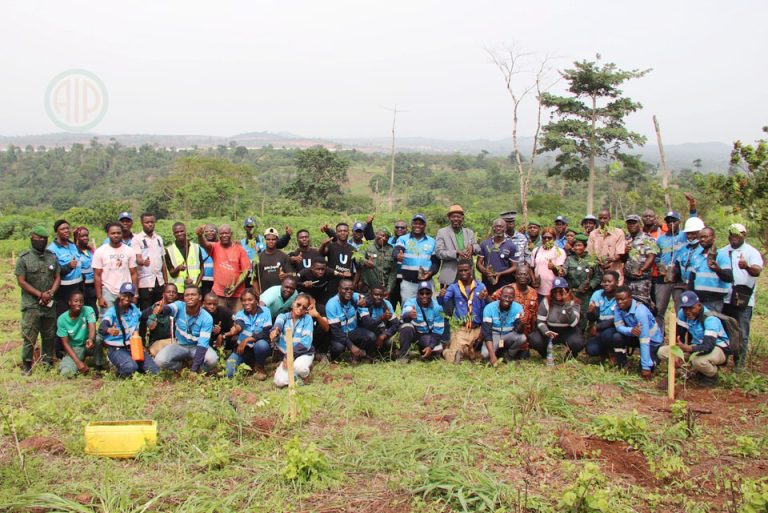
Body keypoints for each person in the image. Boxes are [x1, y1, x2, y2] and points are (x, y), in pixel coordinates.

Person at [658, 291, 730, 386]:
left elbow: (708, 346)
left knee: (699, 361)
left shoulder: (710, 319)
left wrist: (688, 349)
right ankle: (686, 371)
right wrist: (677, 354)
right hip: (696, 346)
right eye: (685, 309)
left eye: (691, 308)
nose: (688, 312)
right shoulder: (682, 314)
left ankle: (712, 375)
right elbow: (679, 335)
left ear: (699, 306)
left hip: (717, 348)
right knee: (662, 352)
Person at [16, 226, 60, 373]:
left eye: (44, 239)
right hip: (31, 304)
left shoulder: (52, 256)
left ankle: (47, 362)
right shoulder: (24, 258)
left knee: (49, 334)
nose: (41, 241)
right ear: (32, 239)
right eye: (38, 239)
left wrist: (51, 293)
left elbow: (57, 277)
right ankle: (27, 364)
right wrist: (40, 295)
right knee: (30, 335)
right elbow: (21, 281)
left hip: (49, 303)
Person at [721, 223, 763, 367]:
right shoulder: (722, 251)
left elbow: (757, 271)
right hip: (725, 298)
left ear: (744, 235)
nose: (734, 238)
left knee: (742, 333)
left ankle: (740, 364)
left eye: (738, 235)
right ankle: (723, 361)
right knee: (725, 330)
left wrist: (746, 267)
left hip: (743, 300)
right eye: (732, 235)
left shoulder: (752, 252)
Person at [153, 285, 218, 374]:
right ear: (183, 298)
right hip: (180, 345)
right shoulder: (179, 306)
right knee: (159, 360)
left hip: (197, 347)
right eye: (187, 295)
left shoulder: (207, 318)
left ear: (200, 297)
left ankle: (199, 371)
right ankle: (181, 368)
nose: (190, 297)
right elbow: (169, 308)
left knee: (212, 359)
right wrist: (162, 309)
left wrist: (194, 370)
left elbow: (202, 345)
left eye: (193, 295)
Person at [98, 282, 158, 377]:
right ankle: (116, 365)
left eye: (130, 296)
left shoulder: (133, 308)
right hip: (116, 348)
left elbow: (142, 315)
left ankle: (130, 362)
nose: (127, 298)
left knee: (154, 371)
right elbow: (101, 328)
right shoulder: (112, 312)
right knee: (130, 368)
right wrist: (109, 330)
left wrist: (153, 307)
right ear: (119, 295)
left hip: (132, 347)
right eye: (124, 295)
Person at [270, 293, 328, 387]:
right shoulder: (283, 316)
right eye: (298, 304)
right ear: (293, 303)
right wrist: (275, 331)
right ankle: (297, 377)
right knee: (279, 382)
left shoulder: (308, 319)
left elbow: (305, 343)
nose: (301, 308)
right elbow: (278, 325)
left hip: (303, 353)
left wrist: (288, 356)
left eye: (304, 307)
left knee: (300, 368)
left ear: (306, 310)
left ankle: (305, 375)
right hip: (287, 355)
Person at [439, 260, 488, 363]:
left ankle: (465, 350)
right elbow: (443, 302)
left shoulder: (480, 286)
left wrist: (486, 298)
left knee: (480, 358)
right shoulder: (453, 287)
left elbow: (485, 308)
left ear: (471, 269)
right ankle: (445, 351)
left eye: (466, 270)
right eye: (460, 271)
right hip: (462, 328)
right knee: (452, 360)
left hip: (476, 329)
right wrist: (441, 296)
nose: (463, 273)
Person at [196, 224, 251, 311]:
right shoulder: (214, 247)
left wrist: (235, 288)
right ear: (218, 235)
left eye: (226, 233)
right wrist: (200, 235)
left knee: (237, 320)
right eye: (221, 234)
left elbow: (246, 271)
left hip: (237, 295)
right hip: (219, 294)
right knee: (220, 320)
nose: (224, 235)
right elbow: (204, 245)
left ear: (231, 234)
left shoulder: (240, 249)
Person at [528, 277, 585, 361]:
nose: (557, 293)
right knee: (534, 340)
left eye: (561, 291)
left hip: (568, 330)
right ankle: (545, 354)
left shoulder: (574, 302)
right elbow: (540, 322)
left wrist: (567, 304)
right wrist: (546, 331)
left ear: (567, 290)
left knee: (578, 343)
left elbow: (573, 323)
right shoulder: (546, 301)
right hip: (550, 330)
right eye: (555, 291)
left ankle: (570, 356)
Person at [613, 286, 663, 378]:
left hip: (651, 340)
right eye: (617, 299)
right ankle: (622, 364)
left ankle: (654, 360)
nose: (620, 302)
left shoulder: (640, 312)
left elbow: (645, 340)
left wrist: (646, 367)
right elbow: (619, 326)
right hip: (635, 335)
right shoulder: (617, 307)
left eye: (623, 299)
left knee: (646, 368)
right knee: (617, 337)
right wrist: (630, 330)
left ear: (630, 298)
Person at [225, 288, 273, 379]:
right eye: (244, 300)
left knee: (261, 345)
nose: (247, 303)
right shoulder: (240, 314)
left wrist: (247, 339)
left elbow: (266, 333)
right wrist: (235, 329)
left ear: (256, 300)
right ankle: (249, 363)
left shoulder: (265, 311)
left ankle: (259, 366)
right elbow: (239, 324)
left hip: (259, 347)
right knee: (229, 373)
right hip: (244, 349)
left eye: (250, 300)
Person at [392, 214, 439, 303]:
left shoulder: (432, 241)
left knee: (430, 308)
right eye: (415, 223)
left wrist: (431, 272)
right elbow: (397, 250)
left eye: (420, 224)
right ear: (411, 225)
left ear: (425, 225)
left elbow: (436, 262)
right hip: (408, 284)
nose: (417, 226)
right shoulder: (403, 239)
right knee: (408, 310)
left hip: (427, 283)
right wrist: (398, 255)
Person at [325, 279, 375, 361]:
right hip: (339, 334)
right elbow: (335, 331)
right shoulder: (331, 304)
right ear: (339, 289)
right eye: (345, 289)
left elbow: (370, 299)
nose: (349, 291)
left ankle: (358, 356)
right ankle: (332, 356)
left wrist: (365, 301)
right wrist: (351, 346)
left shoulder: (355, 296)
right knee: (338, 347)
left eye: (351, 289)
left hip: (352, 331)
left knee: (371, 336)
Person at [93, 222, 138, 311]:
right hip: (108, 291)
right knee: (108, 319)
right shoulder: (100, 251)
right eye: (113, 233)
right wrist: (100, 297)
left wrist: (135, 294)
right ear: (108, 234)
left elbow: (134, 273)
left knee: (125, 319)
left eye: (118, 233)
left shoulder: (129, 251)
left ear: (122, 234)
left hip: (126, 291)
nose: (116, 235)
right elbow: (97, 276)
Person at [560, 233, 602, 329]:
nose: (577, 248)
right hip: (572, 293)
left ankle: (583, 337)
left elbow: (598, 276)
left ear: (585, 246)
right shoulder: (569, 259)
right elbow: (564, 271)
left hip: (586, 294)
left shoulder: (592, 260)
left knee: (584, 316)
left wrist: (590, 285)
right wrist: (560, 271)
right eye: (575, 245)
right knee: (570, 314)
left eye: (580, 245)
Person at [57, 291, 103, 376]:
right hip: (76, 347)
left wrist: (90, 339)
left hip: (89, 344)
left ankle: (99, 367)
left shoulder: (88, 310)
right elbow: (65, 343)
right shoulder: (62, 319)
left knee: (98, 339)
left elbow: (92, 327)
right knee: (66, 373)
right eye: (76, 301)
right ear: (70, 302)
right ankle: (78, 364)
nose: (79, 303)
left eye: (81, 301)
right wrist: (78, 363)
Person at [48, 220, 83, 330]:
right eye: (62, 229)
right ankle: (60, 345)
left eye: (67, 228)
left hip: (77, 287)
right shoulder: (52, 249)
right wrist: (69, 266)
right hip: (63, 289)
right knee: (63, 317)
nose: (66, 231)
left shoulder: (72, 245)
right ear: (56, 232)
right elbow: (53, 272)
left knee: (77, 315)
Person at [688, 227, 732, 312]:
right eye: (700, 237)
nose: (703, 239)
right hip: (698, 301)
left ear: (714, 237)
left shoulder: (721, 255)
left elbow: (729, 277)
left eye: (706, 237)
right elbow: (692, 280)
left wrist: (718, 270)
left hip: (714, 301)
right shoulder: (696, 256)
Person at [398, 282, 445, 361]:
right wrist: (409, 315)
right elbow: (404, 318)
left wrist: (430, 346)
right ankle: (403, 356)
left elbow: (437, 331)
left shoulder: (438, 307)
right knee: (406, 327)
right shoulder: (410, 303)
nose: (424, 296)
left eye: (427, 293)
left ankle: (423, 352)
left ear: (431, 294)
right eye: (421, 293)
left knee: (437, 349)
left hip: (426, 335)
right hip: (413, 333)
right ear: (417, 294)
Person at [481, 285, 527, 365]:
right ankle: (495, 354)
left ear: (514, 298)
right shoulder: (489, 308)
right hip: (494, 334)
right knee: (485, 355)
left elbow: (519, 331)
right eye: (505, 296)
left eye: (510, 297)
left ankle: (508, 355)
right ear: (500, 296)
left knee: (522, 338)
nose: (507, 299)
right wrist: (492, 356)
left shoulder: (518, 308)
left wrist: (522, 323)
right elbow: (487, 333)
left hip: (509, 334)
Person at [435, 204, 478, 287]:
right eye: (453, 217)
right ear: (449, 218)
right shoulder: (442, 232)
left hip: (468, 274)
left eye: (458, 217)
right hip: (450, 275)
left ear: (462, 218)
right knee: (448, 299)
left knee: (468, 298)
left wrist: (472, 248)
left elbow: (477, 248)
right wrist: (456, 253)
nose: (456, 219)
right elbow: (439, 252)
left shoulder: (469, 232)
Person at [623, 214, 659, 311]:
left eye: (634, 223)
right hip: (627, 279)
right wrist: (625, 252)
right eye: (629, 223)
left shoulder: (648, 238)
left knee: (642, 305)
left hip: (642, 279)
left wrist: (643, 269)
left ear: (639, 224)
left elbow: (652, 256)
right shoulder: (626, 239)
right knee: (627, 305)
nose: (631, 225)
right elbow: (623, 259)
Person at [133, 213, 168, 311]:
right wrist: (142, 262)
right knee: (146, 311)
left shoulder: (158, 239)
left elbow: (162, 261)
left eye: (152, 222)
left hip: (159, 281)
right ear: (142, 223)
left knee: (159, 310)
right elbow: (137, 258)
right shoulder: (137, 239)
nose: (150, 224)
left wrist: (166, 282)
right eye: (147, 222)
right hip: (145, 282)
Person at [477, 218, 519, 295]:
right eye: (496, 226)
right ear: (493, 228)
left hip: (504, 281)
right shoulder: (485, 243)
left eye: (501, 226)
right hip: (487, 280)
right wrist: (484, 271)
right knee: (487, 301)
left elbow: (515, 267)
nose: (498, 228)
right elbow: (479, 263)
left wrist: (500, 273)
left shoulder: (511, 246)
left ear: (505, 228)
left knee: (502, 302)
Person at [585, 271, 620, 359]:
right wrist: (590, 312)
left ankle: (614, 353)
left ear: (617, 282)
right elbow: (593, 318)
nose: (606, 284)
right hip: (601, 326)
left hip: (616, 326)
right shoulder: (597, 294)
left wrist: (597, 327)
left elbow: (617, 319)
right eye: (604, 281)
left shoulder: (621, 295)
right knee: (591, 350)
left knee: (607, 335)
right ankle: (604, 353)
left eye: (609, 281)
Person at [587, 209, 627, 284]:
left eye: (605, 218)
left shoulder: (618, 233)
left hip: (614, 271)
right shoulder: (593, 234)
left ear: (609, 218)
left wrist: (612, 259)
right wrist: (599, 263)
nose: (602, 220)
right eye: (600, 218)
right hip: (598, 272)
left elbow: (619, 252)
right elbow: (590, 254)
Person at [139, 283, 179, 357]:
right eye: (168, 292)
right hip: (158, 342)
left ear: (176, 295)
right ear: (163, 294)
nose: (171, 294)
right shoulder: (156, 307)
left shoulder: (179, 308)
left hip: (175, 341)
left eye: (173, 292)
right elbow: (143, 319)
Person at [359, 285, 400, 355]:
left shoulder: (387, 304)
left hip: (381, 331)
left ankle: (384, 353)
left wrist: (383, 336)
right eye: (376, 295)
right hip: (367, 331)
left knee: (390, 342)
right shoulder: (364, 304)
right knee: (371, 336)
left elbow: (396, 323)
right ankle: (365, 354)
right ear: (371, 295)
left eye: (381, 295)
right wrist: (382, 318)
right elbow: (368, 324)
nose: (378, 297)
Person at [319, 222, 357, 295]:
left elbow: (358, 269)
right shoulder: (331, 246)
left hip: (347, 284)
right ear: (336, 233)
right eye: (340, 231)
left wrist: (353, 282)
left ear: (348, 233)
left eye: (345, 231)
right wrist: (323, 245)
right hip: (332, 282)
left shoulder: (353, 249)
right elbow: (320, 255)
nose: (342, 233)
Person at [530, 227, 566, 301]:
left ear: (554, 238)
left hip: (554, 290)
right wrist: (533, 280)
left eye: (549, 238)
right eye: (544, 237)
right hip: (538, 289)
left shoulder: (559, 251)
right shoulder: (536, 251)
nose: (546, 240)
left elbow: (560, 273)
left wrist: (553, 268)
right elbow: (531, 268)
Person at [165, 222, 202, 294]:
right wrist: (178, 269)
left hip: (195, 288)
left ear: (185, 231)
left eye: (181, 231)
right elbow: (172, 273)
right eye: (177, 232)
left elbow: (202, 268)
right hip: (178, 291)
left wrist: (196, 285)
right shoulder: (169, 250)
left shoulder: (196, 247)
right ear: (173, 234)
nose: (179, 234)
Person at [357, 228, 396, 295]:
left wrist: (389, 289)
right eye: (382, 235)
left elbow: (393, 272)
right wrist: (365, 261)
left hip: (382, 290)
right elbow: (357, 257)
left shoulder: (391, 249)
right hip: (367, 288)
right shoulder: (366, 245)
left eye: (386, 237)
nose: (384, 238)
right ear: (376, 234)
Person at [255, 227, 293, 293]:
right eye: (268, 239)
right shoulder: (258, 258)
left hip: (280, 294)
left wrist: (285, 275)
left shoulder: (284, 256)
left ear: (277, 240)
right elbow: (254, 279)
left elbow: (292, 274)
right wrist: (258, 293)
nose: (271, 241)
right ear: (264, 240)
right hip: (264, 294)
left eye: (273, 239)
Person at [74, 226, 98, 314]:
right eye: (82, 236)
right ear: (76, 237)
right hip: (81, 287)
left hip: (92, 286)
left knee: (93, 312)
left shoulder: (91, 251)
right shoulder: (74, 251)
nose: (85, 238)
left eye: (86, 235)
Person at [388, 220, 409, 309]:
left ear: (407, 229)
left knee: (405, 306)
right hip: (391, 279)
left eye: (402, 227)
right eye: (397, 227)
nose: (399, 229)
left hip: (406, 279)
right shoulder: (388, 240)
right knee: (390, 306)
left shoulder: (410, 241)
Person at [199, 224, 217, 297]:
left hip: (217, 281)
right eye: (206, 231)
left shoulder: (221, 246)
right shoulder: (199, 248)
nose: (209, 233)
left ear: (216, 232)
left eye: (212, 231)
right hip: (203, 281)